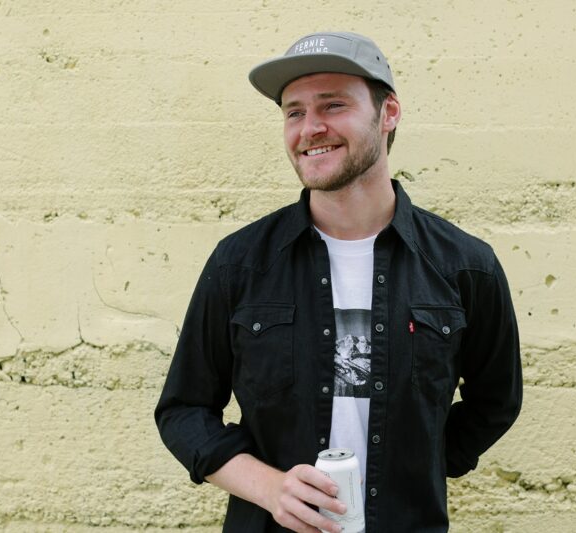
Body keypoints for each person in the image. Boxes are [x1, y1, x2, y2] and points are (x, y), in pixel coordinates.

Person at [155, 31, 522, 533]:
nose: (311, 128)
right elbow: (184, 410)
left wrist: (420, 465)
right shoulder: (241, 263)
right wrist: (270, 488)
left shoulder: (465, 266)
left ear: (388, 113)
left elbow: (495, 401)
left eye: (333, 105)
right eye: (294, 112)